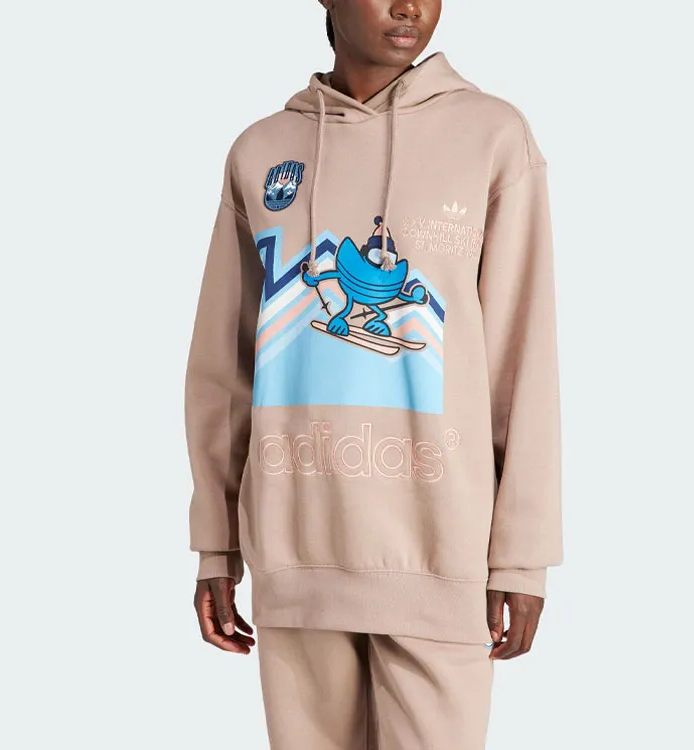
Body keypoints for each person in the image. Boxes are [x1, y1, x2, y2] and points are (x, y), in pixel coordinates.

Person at [184, 1, 563, 747]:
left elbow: (524, 363)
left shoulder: (493, 137)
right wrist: (216, 542)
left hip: (438, 553)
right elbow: (223, 369)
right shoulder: (261, 151)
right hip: (295, 553)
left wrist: (522, 558)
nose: (409, 6)